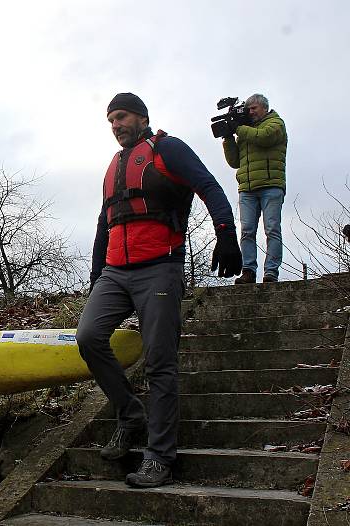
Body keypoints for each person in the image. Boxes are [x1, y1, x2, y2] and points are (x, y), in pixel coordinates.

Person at [76, 93, 241, 488]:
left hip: (160, 269)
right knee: (88, 337)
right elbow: (106, 223)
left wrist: (225, 233)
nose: (116, 125)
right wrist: (98, 274)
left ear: (142, 117)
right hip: (115, 273)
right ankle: (130, 415)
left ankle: (159, 457)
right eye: (111, 119)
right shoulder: (114, 166)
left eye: (122, 116)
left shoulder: (167, 149)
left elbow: (210, 186)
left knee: (159, 362)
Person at [222, 94, 287, 284]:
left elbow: (264, 138)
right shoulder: (245, 131)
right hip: (247, 188)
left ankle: (271, 273)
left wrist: (239, 129)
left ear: (265, 108)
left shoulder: (276, 124)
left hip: (271, 185)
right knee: (247, 231)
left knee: (272, 229)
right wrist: (228, 138)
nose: (250, 113)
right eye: (248, 109)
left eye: (254, 109)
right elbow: (234, 162)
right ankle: (248, 271)